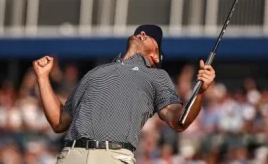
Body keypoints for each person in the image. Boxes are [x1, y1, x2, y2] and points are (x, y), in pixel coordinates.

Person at [32, 24, 216, 164]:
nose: (142, 33)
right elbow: (59, 121)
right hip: (71, 155)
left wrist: (201, 92)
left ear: (156, 57)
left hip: (112, 156)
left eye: (151, 36)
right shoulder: (96, 72)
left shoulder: (156, 75)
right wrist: (42, 78)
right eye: (140, 31)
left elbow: (178, 120)